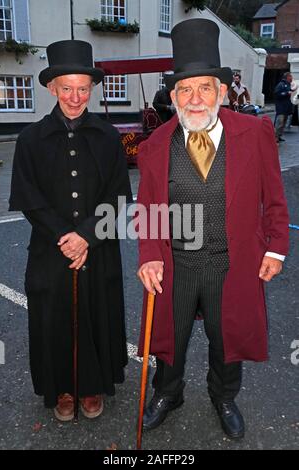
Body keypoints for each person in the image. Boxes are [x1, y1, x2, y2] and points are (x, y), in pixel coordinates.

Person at [136, 19, 289, 440]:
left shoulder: (255, 134)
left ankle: (224, 396)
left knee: (228, 339)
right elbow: (147, 208)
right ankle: (168, 393)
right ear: (173, 96)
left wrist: (276, 248)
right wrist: (149, 254)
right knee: (171, 339)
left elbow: (275, 198)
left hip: (231, 262)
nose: (195, 98)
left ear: (222, 92)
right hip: (177, 264)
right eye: (185, 89)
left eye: (205, 87)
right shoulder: (154, 146)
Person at [9, 40, 132, 421]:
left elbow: (118, 196)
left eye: (83, 88)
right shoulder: (30, 139)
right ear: (52, 88)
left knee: (97, 313)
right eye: (67, 88)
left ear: (91, 89)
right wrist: (66, 237)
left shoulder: (109, 137)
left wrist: (87, 236)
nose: (75, 97)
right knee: (53, 318)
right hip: (50, 249)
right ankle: (61, 387)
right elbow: (28, 198)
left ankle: (93, 385)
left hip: (99, 247)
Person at [274, 72, 293, 143]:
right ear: (287, 77)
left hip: (287, 107)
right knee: (280, 122)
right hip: (281, 107)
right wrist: (286, 93)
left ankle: (279, 136)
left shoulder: (289, 85)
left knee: (284, 122)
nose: (291, 78)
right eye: (290, 76)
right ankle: (274, 137)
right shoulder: (281, 84)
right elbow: (276, 93)